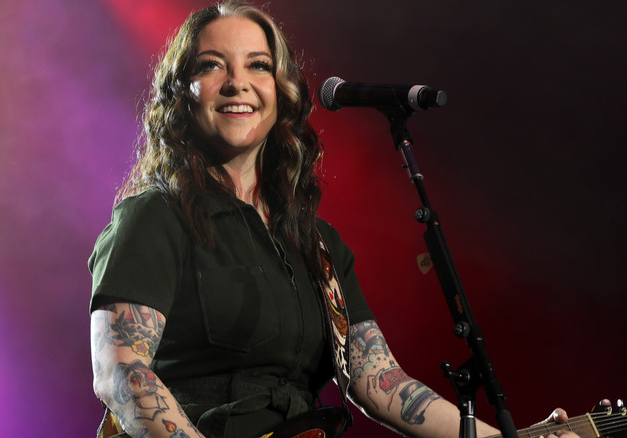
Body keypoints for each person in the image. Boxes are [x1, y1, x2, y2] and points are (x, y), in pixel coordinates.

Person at [88, 2, 580, 437]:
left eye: (258, 65)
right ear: (182, 94)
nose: (238, 82)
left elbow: (379, 382)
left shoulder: (317, 244)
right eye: (212, 65)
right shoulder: (154, 216)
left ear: (280, 92)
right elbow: (121, 371)